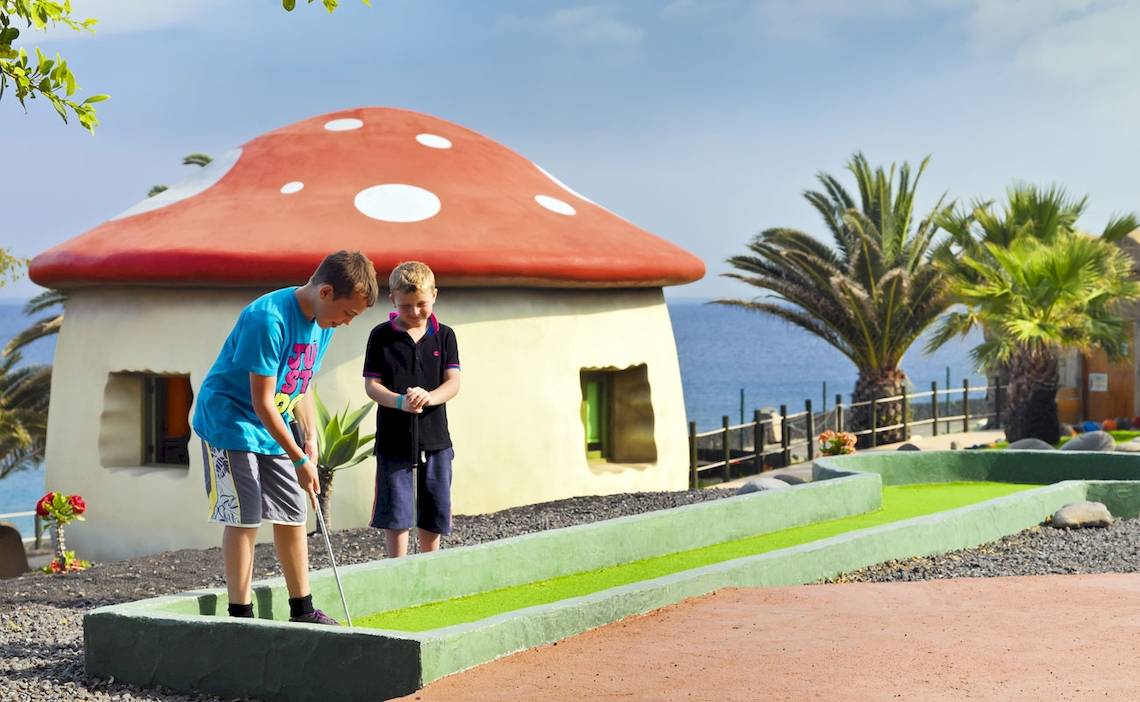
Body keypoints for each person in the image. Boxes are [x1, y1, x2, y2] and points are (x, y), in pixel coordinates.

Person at [192, 250, 378, 623]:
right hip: (231, 423)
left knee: (293, 513)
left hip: (274, 427)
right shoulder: (268, 319)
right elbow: (262, 402)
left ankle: (302, 609)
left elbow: (300, 384)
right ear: (326, 292)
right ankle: (240, 615)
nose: (346, 323)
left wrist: (309, 440)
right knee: (245, 516)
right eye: (348, 314)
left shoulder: (320, 324)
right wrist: (296, 457)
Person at [363, 261, 461, 557]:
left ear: (434, 295)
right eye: (406, 305)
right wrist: (399, 402)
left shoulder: (445, 335)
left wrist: (428, 397)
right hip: (394, 439)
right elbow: (372, 385)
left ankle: (430, 566)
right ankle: (397, 569)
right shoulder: (381, 336)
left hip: (435, 439)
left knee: (434, 506)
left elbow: (453, 383)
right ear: (392, 299)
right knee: (396, 511)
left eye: (421, 304)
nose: (415, 312)